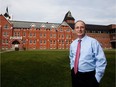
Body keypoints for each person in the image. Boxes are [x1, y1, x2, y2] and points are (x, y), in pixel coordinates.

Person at [69, 20, 107, 87]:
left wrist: (97, 78)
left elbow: (101, 60)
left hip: (89, 76)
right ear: (74, 30)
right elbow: (71, 57)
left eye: (82, 27)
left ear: (85, 29)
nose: (79, 29)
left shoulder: (93, 42)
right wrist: (72, 68)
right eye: (77, 27)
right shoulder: (73, 44)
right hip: (75, 75)